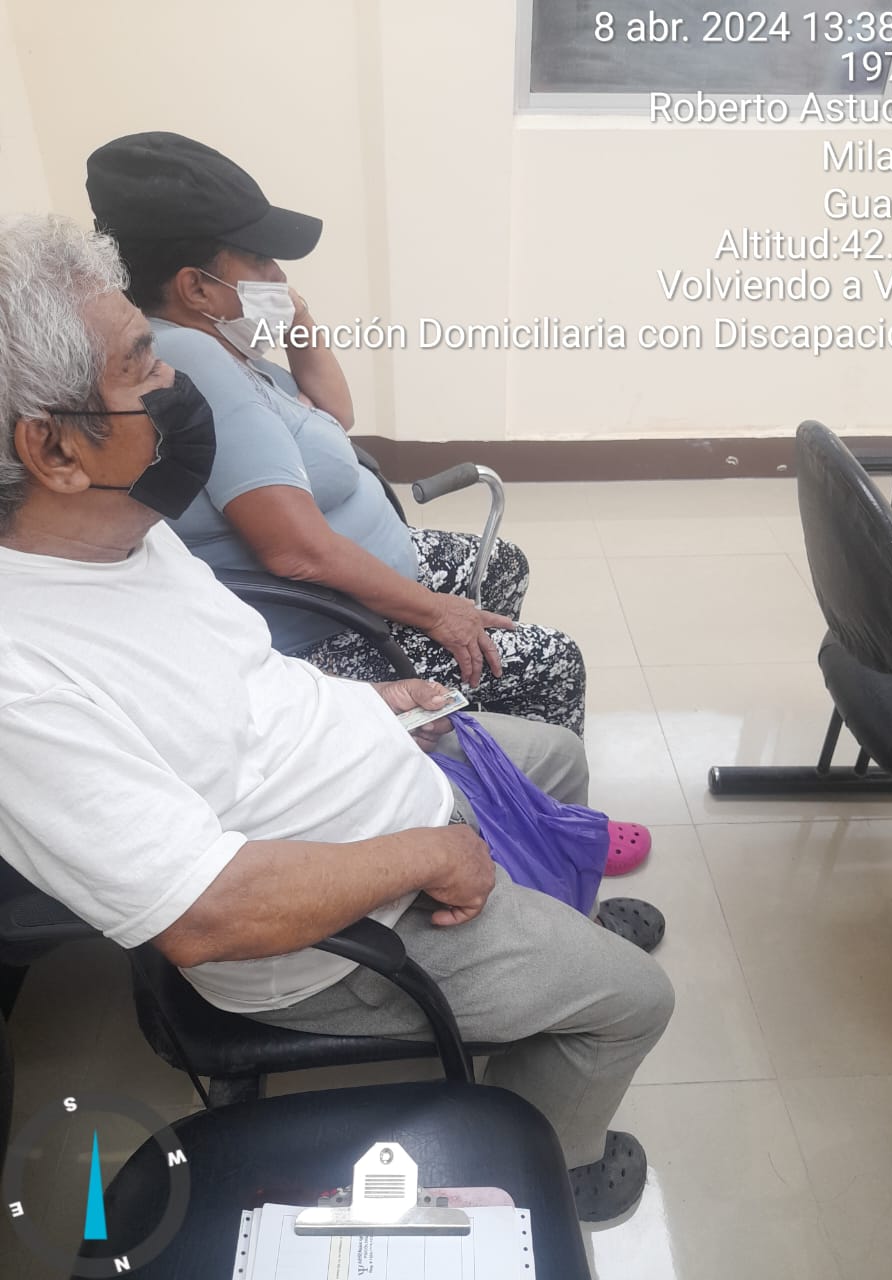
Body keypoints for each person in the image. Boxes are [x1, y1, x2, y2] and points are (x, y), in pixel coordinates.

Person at [0, 215, 673, 1221]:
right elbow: (205, 916)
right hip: (331, 934)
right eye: (142, 365)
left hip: (373, 772)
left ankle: (552, 916)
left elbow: (243, 681)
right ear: (53, 447)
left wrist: (375, 703)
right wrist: (425, 854)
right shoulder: (22, 675)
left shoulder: (125, 530)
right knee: (636, 1003)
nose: (176, 380)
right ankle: (551, 1167)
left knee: (557, 760)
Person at [82, 131, 589, 739]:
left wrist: (294, 313)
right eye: (261, 262)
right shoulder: (196, 362)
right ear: (196, 288)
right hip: (324, 627)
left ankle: (474, 742)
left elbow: (335, 412)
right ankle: (490, 779)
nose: (278, 276)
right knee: (555, 661)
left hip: (358, 589)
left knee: (503, 564)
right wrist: (438, 613)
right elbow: (295, 552)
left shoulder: (214, 345)